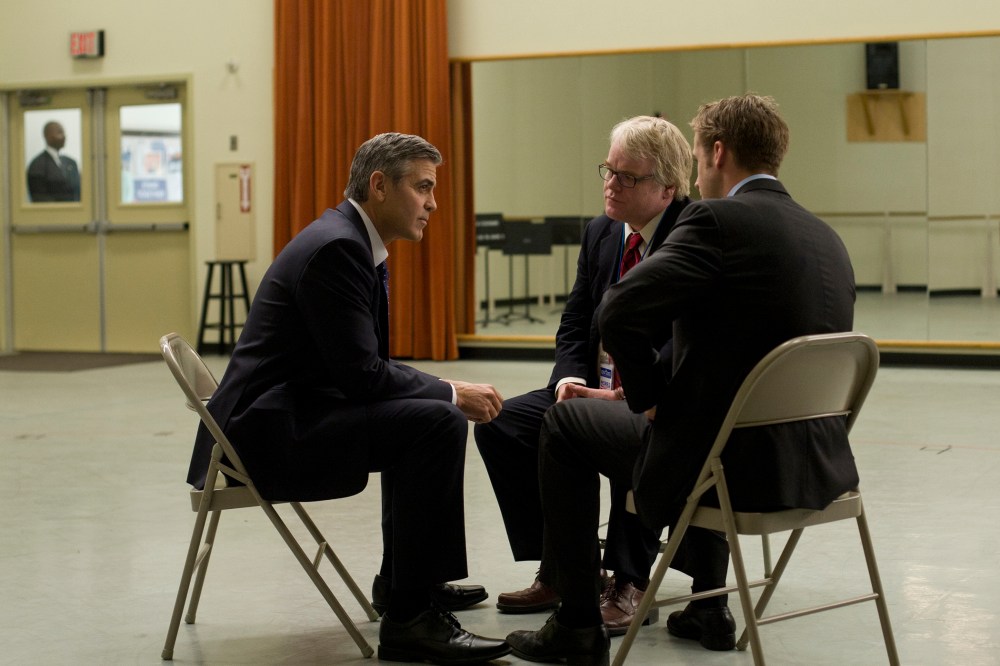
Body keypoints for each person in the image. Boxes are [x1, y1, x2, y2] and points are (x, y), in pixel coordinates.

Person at [506, 94, 858, 665]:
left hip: (725, 471)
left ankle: (574, 625)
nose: (696, 170)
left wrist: (644, 399)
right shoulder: (825, 238)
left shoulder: (714, 219)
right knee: (693, 414)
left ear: (717, 152)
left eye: (696, 155)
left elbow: (616, 312)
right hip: (811, 467)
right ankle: (706, 602)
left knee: (565, 421)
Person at [186, 132, 510, 664]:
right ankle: (410, 618)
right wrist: (453, 392)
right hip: (264, 440)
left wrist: (441, 393)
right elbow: (364, 376)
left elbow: (362, 370)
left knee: (423, 417)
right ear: (380, 185)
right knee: (437, 423)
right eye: (423, 187)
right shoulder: (339, 248)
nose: (432, 202)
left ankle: (407, 582)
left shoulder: (347, 239)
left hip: (283, 414)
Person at [473, 115, 692, 636]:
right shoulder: (600, 231)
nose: (611, 184)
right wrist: (568, 379)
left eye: (627, 177)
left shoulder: (692, 233)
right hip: (590, 384)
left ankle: (631, 578)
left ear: (667, 189)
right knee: (500, 424)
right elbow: (575, 321)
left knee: (620, 437)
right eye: (608, 170)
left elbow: (684, 337)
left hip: (652, 395)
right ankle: (564, 567)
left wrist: (623, 390)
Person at [27, 121, 81, 202]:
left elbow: (79, 193)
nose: (64, 136)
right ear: (48, 136)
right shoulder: (37, 165)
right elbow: (38, 198)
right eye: (60, 132)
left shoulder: (71, 163)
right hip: (52, 213)